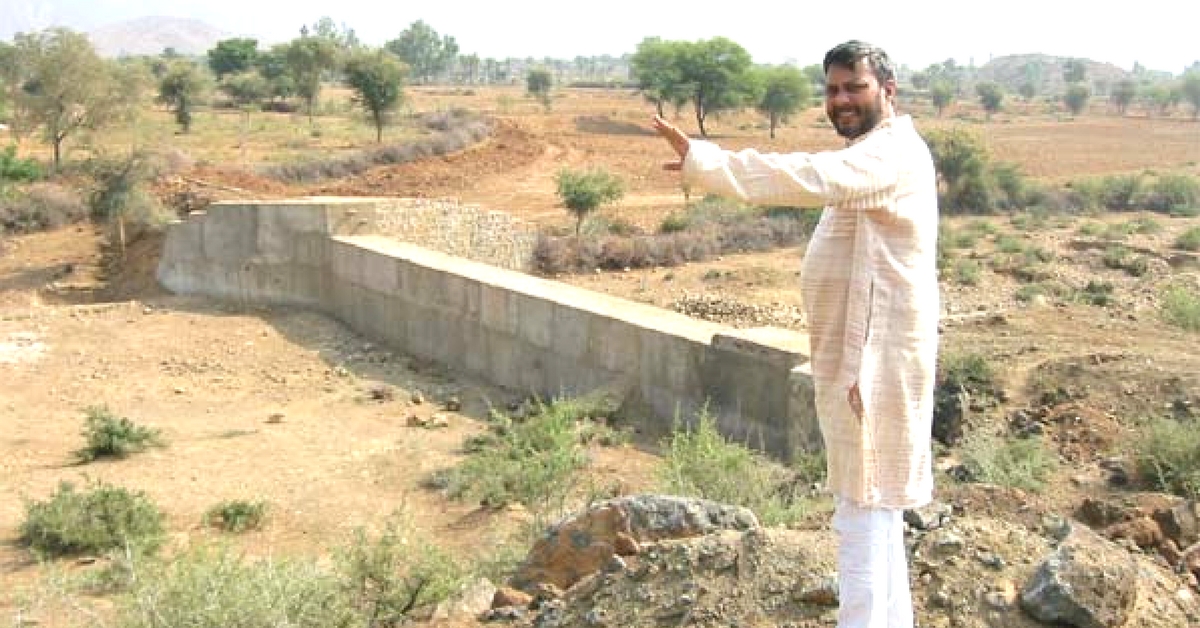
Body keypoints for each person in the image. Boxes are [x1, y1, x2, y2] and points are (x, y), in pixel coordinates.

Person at [653, 40, 939, 628]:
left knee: (861, 512)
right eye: (832, 89)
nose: (841, 100)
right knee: (877, 508)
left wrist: (710, 163)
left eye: (854, 87)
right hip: (868, 359)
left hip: (873, 367)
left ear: (888, 91)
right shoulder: (877, 152)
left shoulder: (885, 155)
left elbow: (809, 175)